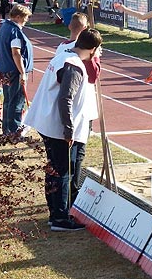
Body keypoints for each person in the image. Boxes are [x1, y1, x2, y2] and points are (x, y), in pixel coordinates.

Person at [23, 28, 102, 232]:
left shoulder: (63, 56)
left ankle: (54, 212)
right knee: (63, 171)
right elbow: (66, 98)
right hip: (57, 127)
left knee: (54, 168)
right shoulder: (74, 66)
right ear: (93, 50)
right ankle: (60, 217)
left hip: (47, 122)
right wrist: (69, 130)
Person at [54, 13, 101, 204]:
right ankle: (71, 194)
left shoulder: (61, 47)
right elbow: (93, 76)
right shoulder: (79, 54)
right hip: (80, 109)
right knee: (75, 155)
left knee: (67, 158)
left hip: (74, 108)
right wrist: (94, 57)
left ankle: (66, 194)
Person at [0, 4, 33, 135]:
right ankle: (14, 130)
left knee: (8, 100)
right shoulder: (15, 32)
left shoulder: (4, 26)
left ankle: (6, 129)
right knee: (16, 101)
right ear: (18, 17)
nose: (26, 21)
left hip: (5, 69)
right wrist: (22, 73)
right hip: (14, 71)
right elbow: (16, 53)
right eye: (25, 18)